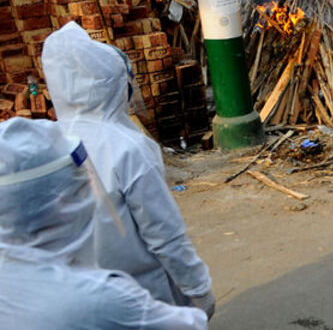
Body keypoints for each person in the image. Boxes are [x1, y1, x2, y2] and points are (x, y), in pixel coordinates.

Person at [42, 22, 215, 316]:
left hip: (71, 299)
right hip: (139, 295)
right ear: (113, 85)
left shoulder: (45, 143)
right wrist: (197, 289)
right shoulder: (127, 148)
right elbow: (163, 232)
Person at [0, 117, 207, 329]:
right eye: (79, 188)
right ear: (62, 202)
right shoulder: (100, 300)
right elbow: (188, 325)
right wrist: (199, 290)